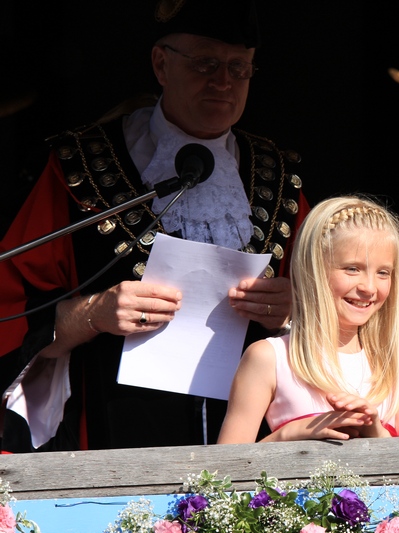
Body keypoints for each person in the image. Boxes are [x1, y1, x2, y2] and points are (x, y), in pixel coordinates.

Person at [0, 0, 309, 452]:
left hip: (253, 441)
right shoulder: (81, 166)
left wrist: (296, 310)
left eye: (239, 68)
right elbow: (11, 307)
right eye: (206, 63)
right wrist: (93, 314)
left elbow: (343, 302)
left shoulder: (277, 177)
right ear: (161, 64)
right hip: (112, 431)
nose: (223, 81)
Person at [217, 196, 399, 443]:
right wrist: (286, 434)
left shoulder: (398, 367)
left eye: (383, 273)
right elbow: (226, 471)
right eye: (352, 268)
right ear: (312, 269)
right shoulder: (269, 357)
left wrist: (376, 432)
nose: (370, 287)